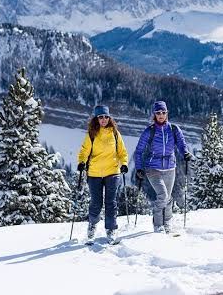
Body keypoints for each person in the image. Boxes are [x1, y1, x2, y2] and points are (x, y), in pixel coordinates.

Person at [133, 100, 191, 233]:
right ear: (154, 114)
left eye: (163, 112)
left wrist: (185, 153)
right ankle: (158, 224)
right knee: (163, 195)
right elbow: (139, 151)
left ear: (167, 114)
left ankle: (167, 222)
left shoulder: (174, 129)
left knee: (168, 197)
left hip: (170, 167)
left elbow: (181, 144)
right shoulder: (149, 131)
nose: (161, 115)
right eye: (158, 113)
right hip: (153, 168)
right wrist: (139, 168)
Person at [77, 105, 129, 244]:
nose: (104, 119)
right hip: (94, 173)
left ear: (109, 117)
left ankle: (111, 230)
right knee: (96, 203)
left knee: (111, 203)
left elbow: (122, 152)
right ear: (96, 118)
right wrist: (82, 162)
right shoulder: (91, 134)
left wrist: (124, 163)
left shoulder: (115, 133)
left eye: (106, 116)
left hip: (112, 172)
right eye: (101, 117)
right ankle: (92, 225)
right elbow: (84, 151)